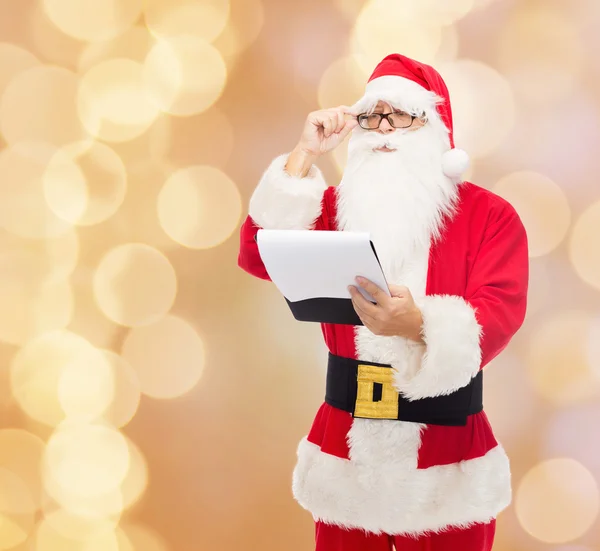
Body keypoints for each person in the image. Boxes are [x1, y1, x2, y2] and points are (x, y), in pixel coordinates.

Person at [237, 53, 529, 551]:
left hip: (447, 456)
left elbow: (500, 313)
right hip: (348, 455)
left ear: (435, 127)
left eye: (403, 115)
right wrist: (303, 156)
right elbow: (258, 254)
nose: (385, 129)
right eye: (373, 116)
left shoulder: (490, 216)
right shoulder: (328, 208)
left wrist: (421, 324)